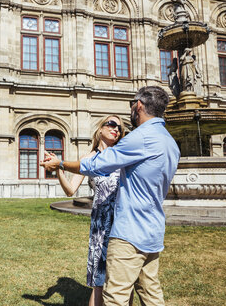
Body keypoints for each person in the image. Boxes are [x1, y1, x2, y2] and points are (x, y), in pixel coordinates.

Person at [41, 86, 180, 306]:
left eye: (131, 105)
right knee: (150, 293)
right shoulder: (170, 142)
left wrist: (60, 163)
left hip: (128, 232)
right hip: (152, 230)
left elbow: (98, 164)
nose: (118, 127)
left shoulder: (140, 137)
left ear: (139, 105)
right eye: (111, 124)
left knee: (115, 297)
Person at [51, 115, 128, 306]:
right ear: (100, 129)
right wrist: (58, 169)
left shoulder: (122, 156)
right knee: (99, 280)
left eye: (119, 127)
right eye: (111, 124)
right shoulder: (88, 158)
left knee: (125, 278)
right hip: (101, 223)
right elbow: (70, 190)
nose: (116, 129)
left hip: (123, 220)